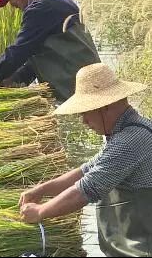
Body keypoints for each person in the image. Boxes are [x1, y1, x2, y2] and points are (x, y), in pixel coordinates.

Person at [19, 63, 152, 257]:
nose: (83, 121)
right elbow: (86, 170)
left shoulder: (130, 141)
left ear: (104, 107)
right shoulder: (128, 131)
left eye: (85, 113)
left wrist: (41, 212)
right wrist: (41, 190)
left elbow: (86, 190)